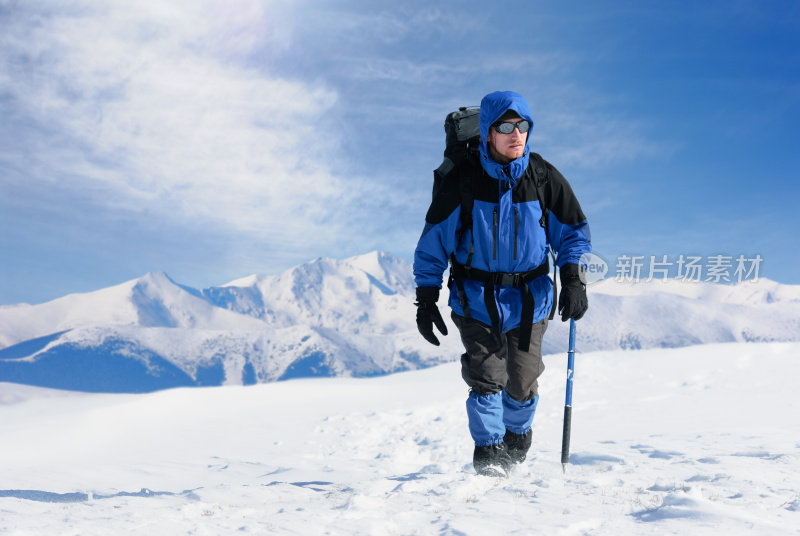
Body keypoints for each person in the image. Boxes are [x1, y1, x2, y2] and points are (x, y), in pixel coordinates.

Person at [413, 90, 591, 477]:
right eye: (506, 126)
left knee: (523, 383)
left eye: (523, 126)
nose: (517, 134)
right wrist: (425, 298)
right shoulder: (463, 181)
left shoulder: (543, 177)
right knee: (486, 379)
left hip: (531, 300)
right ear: (488, 133)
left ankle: (517, 438)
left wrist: (573, 278)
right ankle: (489, 454)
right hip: (475, 299)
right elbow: (433, 244)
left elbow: (572, 233)